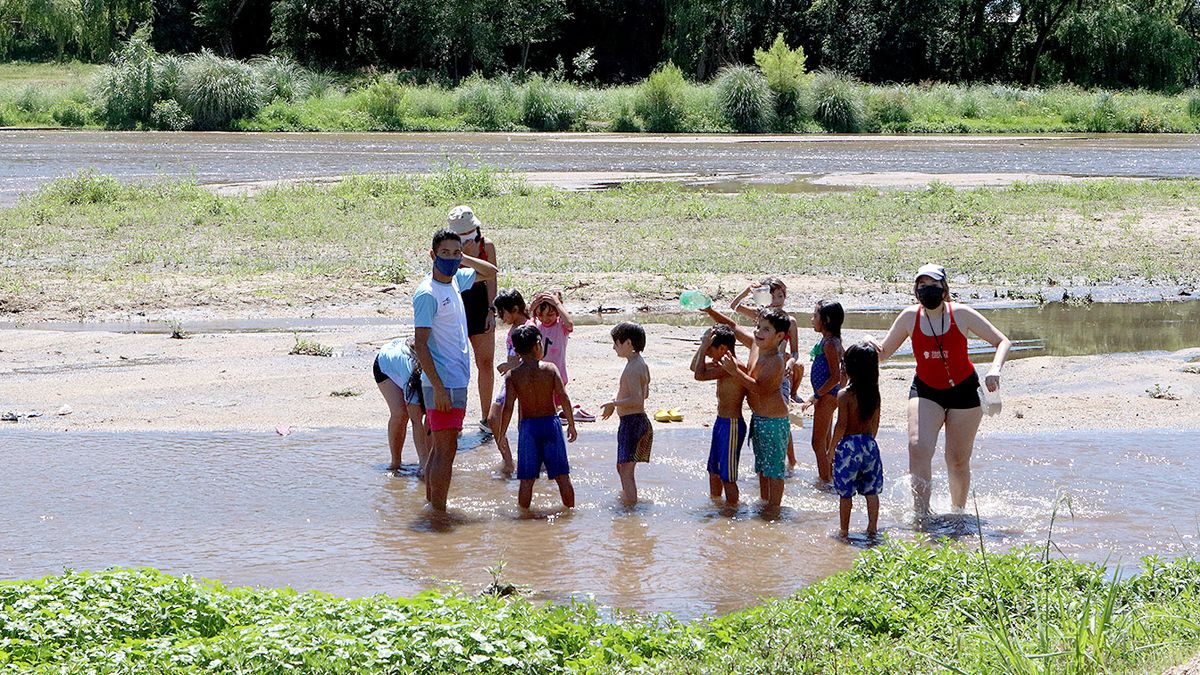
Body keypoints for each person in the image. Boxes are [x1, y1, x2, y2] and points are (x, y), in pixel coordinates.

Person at [874, 264, 1012, 519]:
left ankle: (958, 514)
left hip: (965, 391)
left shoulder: (961, 314)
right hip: (926, 390)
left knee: (957, 460)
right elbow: (882, 354)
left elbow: (1002, 341)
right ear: (916, 290)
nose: (927, 290)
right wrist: (868, 346)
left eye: (933, 285)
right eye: (922, 285)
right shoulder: (909, 317)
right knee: (917, 447)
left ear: (944, 289)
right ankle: (921, 516)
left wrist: (995, 369)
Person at [412, 227, 499, 511]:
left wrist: (465, 258)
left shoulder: (456, 281)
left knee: (441, 449)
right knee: (446, 452)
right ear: (432, 255)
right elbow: (421, 345)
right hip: (443, 382)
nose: (450, 258)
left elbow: (491, 271)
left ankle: (432, 506)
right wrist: (438, 388)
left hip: (455, 379)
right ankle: (439, 514)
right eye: (444, 253)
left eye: (454, 253)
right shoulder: (427, 294)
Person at [719, 308, 791, 512]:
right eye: (758, 326)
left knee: (774, 470)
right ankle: (764, 502)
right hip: (759, 419)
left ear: (779, 336)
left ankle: (774, 509)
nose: (758, 331)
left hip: (774, 422)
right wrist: (709, 309)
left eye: (766, 329)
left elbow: (760, 389)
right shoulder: (756, 345)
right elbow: (733, 327)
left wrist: (735, 372)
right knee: (762, 467)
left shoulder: (776, 361)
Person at [502, 324, 577, 510]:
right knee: (562, 477)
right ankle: (570, 513)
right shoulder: (550, 369)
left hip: (528, 428)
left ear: (516, 350)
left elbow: (508, 407)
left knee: (526, 480)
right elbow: (564, 397)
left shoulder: (513, 375)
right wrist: (571, 424)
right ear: (537, 345)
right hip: (551, 425)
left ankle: (523, 516)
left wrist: (502, 434)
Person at [730, 277, 802, 469]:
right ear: (763, 297)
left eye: (781, 296)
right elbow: (734, 306)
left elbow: (795, 352)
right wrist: (747, 291)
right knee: (764, 414)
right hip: (761, 369)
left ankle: (791, 461)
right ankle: (768, 461)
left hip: (781, 373)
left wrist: (791, 362)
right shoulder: (760, 315)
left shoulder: (789, 322)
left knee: (782, 417)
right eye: (772, 296)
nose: (777, 300)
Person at [447, 205, 498, 436]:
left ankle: (486, 417)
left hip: (480, 302)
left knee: (485, 363)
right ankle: (454, 420)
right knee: (456, 363)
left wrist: (491, 309)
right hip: (456, 302)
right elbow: (446, 277)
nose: (468, 238)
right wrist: (461, 255)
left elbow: (492, 277)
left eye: (470, 233)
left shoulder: (487, 246)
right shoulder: (447, 248)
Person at [689, 325, 747, 507]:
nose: (707, 354)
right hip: (721, 422)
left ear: (722, 348)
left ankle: (732, 512)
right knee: (714, 471)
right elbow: (694, 367)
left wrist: (704, 345)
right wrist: (704, 345)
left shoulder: (732, 366)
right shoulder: (721, 363)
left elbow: (699, 375)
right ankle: (716, 507)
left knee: (727, 477)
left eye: (710, 350)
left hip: (732, 424)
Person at [830, 342, 884, 537]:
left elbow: (841, 426)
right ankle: (872, 529)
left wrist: (831, 450)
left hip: (848, 447)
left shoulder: (844, 395)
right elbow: (875, 424)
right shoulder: (874, 394)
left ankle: (844, 531)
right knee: (871, 492)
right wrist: (868, 443)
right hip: (869, 444)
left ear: (850, 368)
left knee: (845, 494)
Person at [600, 321, 652, 505]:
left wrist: (613, 403)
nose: (613, 347)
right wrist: (616, 399)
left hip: (633, 423)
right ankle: (628, 500)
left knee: (626, 470)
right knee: (622, 467)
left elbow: (637, 400)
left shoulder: (633, 368)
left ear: (628, 343)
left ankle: (630, 510)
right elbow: (645, 393)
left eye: (616, 343)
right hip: (635, 422)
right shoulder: (640, 364)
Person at [800, 300, 845, 485]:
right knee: (825, 441)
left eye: (815, 316)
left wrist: (816, 396)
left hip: (827, 396)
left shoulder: (830, 344)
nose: (812, 320)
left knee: (817, 442)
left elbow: (835, 376)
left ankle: (824, 481)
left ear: (826, 320)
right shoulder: (829, 341)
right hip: (828, 395)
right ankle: (830, 475)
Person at [486, 288, 531, 474]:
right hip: (511, 380)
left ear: (514, 309)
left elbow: (533, 358)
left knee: (524, 425)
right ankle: (508, 461)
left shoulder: (530, 327)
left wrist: (509, 365)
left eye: (501, 312)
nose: (499, 317)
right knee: (493, 418)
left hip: (528, 381)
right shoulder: (514, 329)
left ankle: (529, 462)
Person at [530, 290, 591, 421]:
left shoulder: (560, 327)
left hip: (557, 373)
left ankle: (570, 411)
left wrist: (557, 303)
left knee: (558, 398)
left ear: (558, 312)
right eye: (541, 315)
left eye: (550, 314)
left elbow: (570, 324)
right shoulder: (536, 326)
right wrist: (532, 307)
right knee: (543, 401)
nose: (545, 319)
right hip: (540, 373)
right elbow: (524, 325)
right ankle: (564, 412)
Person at [373, 336, 428, 473]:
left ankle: (428, 459)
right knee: (401, 414)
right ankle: (395, 463)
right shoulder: (411, 372)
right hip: (384, 365)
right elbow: (416, 421)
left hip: (402, 359)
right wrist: (424, 464)